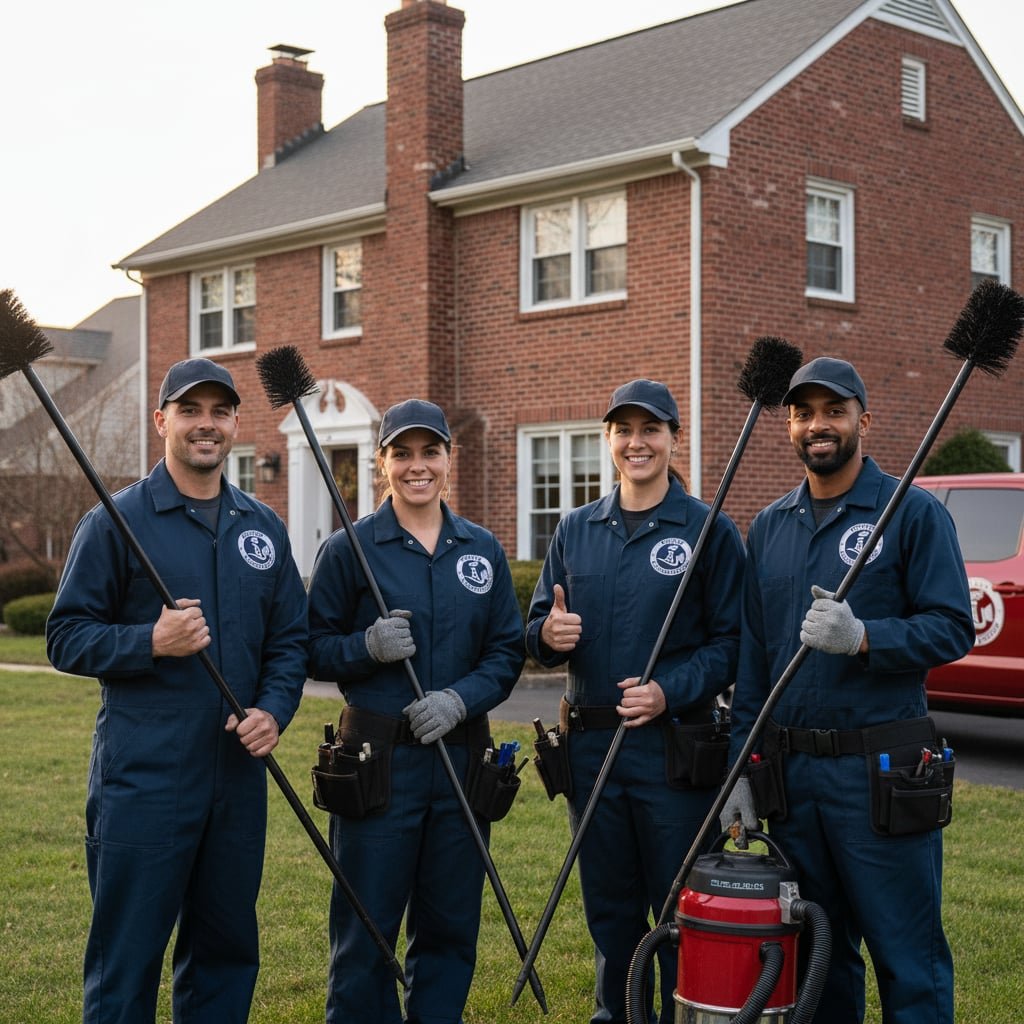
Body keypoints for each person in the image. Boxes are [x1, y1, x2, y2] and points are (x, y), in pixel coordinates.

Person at [46, 358, 308, 1024]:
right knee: (126, 962)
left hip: (236, 780)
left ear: (236, 424)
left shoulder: (263, 527)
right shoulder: (116, 522)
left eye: (219, 411)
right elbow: (66, 637)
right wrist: (150, 641)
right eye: (190, 410)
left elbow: (289, 643)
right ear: (163, 421)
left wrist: (273, 711)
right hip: (145, 781)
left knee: (225, 957)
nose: (205, 424)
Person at [722, 357, 974, 1024]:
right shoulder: (769, 526)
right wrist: (739, 771)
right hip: (794, 780)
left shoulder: (911, 512)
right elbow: (754, 663)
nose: (818, 425)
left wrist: (865, 637)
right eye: (803, 413)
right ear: (789, 426)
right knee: (819, 957)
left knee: (907, 956)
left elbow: (954, 627)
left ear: (865, 420)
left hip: (882, 773)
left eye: (834, 411)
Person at [526, 379, 745, 1024]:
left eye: (651, 429)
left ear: (674, 438)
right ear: (608, 439)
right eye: (623, 430)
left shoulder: (709, 530)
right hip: (591, 752)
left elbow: (734, 644)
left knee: (678, 907)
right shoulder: (575, 529)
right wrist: (547, 635)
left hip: (673, 754)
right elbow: (536, 629)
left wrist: (669, 690)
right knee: (610, 911)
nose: (636, 442)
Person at [306, 398, 525, 1024]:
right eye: (402, 453)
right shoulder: (349, 550)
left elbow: (506, 651)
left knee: (450, 927)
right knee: (366, 931)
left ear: (450, 458)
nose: (417, 465)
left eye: (430, 451)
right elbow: (311, 649)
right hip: (377, 766)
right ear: (382, 462)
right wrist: (366, 646)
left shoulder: (481, 548)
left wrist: (460, 700)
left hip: (460, 763)